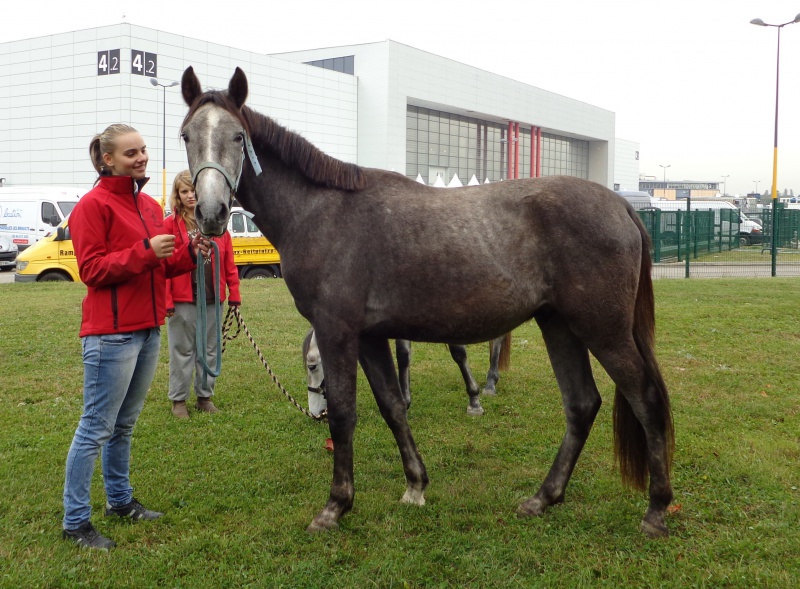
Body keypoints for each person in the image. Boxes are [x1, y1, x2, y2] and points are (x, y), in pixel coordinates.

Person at [62, 124, 208, 551]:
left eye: (143, 150)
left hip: (147, 330)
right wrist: (147, 250)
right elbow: (91, 270)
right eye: (131, 153)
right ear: (108, 160)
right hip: (110, 336)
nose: (141, 158)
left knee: (123, 426)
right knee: (95, 428)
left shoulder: (146, 205)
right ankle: (75, 522)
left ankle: (120, 502)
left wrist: (185, 254)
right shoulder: (91, 206)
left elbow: (158, 266)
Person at [165, 170, 240, 419]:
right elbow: (163, 266)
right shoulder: (169, 226)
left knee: (209, 349)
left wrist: (234, 294)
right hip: (182, 299)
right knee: (182, 350)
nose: (190, 196)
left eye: (194, 192)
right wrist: (167, 300)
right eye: (184, 191)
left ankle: (204, 397)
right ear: (177, 195)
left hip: (211, 297)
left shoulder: (217, 226)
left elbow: (229, 263)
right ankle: (179, 400)